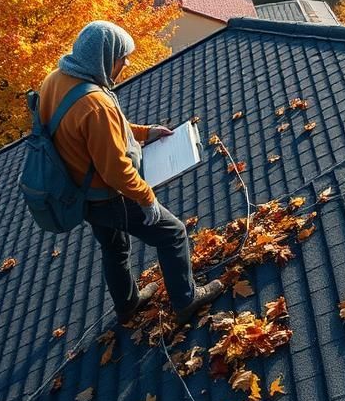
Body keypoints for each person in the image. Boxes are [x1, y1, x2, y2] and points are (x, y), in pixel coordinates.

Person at [39, 20, 224, 322]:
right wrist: (146, 197)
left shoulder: (57, 80)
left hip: (80, 191)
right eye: (122, 57)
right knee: (173, 233)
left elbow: (99, 133)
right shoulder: (95, 104)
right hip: (108, 195)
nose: (127, 63)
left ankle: (127, 305)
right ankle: (186, 300)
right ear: (105, 58)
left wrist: (145, 133)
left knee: (114, 247)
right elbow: (115, 170)